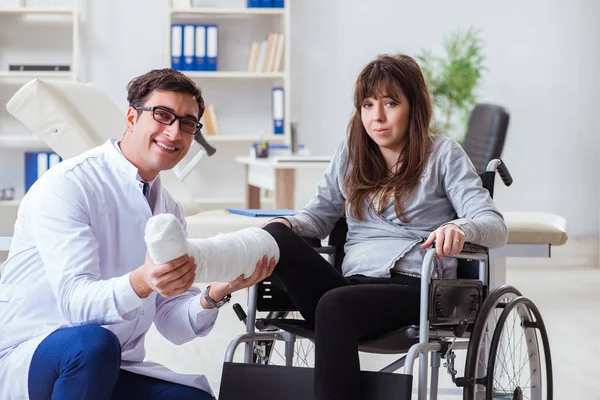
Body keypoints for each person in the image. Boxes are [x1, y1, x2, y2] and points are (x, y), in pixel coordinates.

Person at [0, 68, 275, 400]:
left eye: (187, 123)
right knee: (92, 344)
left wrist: (215, 293)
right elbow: (76, 306)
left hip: (115, 364)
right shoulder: (68, 186)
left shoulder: (168, 209)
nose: (174, 132)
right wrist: (144, 281)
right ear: (132, 117)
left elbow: (170, 322)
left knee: (193, 399)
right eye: (163, 115)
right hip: (38, 354)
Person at [260, 54, 509, 399]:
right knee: (272, 235)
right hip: (350, 286)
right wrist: (285, 223)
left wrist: (461, 228)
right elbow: (316, 218)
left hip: (413, 287)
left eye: (390, 103)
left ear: (414, 107)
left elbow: (494, 224)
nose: (376, 117)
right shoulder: (351, 154)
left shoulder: (442, 155)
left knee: (334, 305)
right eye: (367, 104)